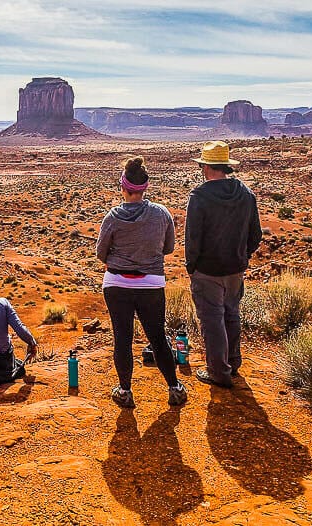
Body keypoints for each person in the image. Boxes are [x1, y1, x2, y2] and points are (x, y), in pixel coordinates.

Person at [96, 156, 187, 408]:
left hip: (116, 284)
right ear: (145, 187)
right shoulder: (161, 214)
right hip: (151, 284)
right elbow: (168, 248)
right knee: (157, 337)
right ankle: (175, 388)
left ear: (123, 188)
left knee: (122, 338)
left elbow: (100, 253)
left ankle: (125, 392)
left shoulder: (112, 217)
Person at [185, 141, 262, 388]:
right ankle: (233, 362)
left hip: (207, 270)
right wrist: (243, 255)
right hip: (235, 269)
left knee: (212, 319)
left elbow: (192, 238)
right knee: (231, 314)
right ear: (226, 166)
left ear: (206, 167)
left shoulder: (199, 197)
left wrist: (192, 266)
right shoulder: (246, 194)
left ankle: (218, 372)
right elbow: (256, 234)